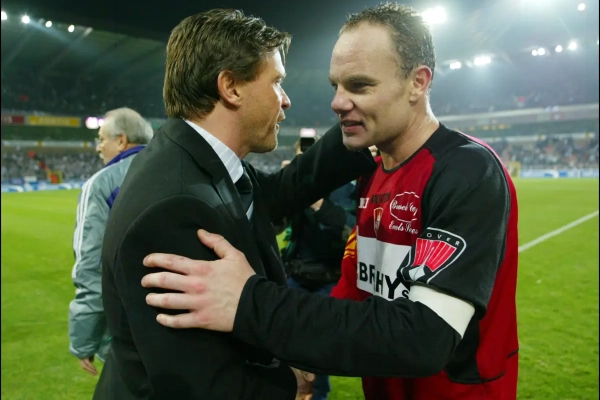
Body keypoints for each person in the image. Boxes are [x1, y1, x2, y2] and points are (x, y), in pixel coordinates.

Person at [139, 3, 520, 400]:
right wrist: (299, 358)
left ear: (417, 83)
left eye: (359, 86)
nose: (337, 102)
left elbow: (425, 339)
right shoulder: (374, 168)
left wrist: (251, 302)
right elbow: (354, 288)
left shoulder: (468, 171)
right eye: (335, 85)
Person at [92, 9, 375, 400]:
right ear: (231, 87)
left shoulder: (193, 158)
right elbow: (196, 382)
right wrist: (287, 383)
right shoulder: (174, 206)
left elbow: (276, 194)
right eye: (276, 82)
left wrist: (357, 131)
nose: (286, 100)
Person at [68, 107, 153, 376]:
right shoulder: (179, 169)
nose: (98, 147)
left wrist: (84, 340)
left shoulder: (102, 184)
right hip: (193, 327)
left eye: (102, 139)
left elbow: (92, 264)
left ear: (121, 141)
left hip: (130, 333)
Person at [279, 137, 357, 400]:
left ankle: (318, 394)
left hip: (329, 280)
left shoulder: (345, 189)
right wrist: (283, 187)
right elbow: (273, 224)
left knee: (317, 349)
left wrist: (317, 201)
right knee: (285, 347)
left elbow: (351, 231)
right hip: (295, 277)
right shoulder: (293, 186)